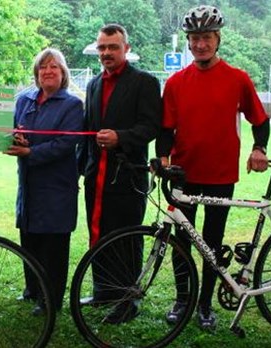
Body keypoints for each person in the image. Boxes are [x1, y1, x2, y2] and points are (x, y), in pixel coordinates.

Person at [156, 5, 269, 330]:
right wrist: (163, 158)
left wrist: (259, 149)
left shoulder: (238, 79)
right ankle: (183, 300)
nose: (200, 44)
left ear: (217, 39)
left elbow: (260, 121)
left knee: (212, 245)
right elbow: (166, 129)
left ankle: (205, 305)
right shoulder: (177, 82)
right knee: (181, 242)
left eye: (206, 38)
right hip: (184, 175)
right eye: (194, 38)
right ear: (189, 42)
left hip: (221, 176)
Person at [79, 24, 162, 324]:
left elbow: (151, 127)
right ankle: (104, 290)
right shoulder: (93, 85)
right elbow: (88, 131)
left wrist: (121, 137)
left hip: (127, 176)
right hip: (96, 176)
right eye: (102, 47)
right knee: (98, 233)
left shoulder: (145, 82)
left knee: (125, 237)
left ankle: (128, 300)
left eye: (112, 47)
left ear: (126, 48)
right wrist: (82, 168)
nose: (106, 53)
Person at [4, 48, 83, 313]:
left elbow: (66, 142)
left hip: (57, 186)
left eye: (54, 67)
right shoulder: (24, 100)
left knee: (53, 245)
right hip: (28, 183)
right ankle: (33, 289)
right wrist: (18, 139)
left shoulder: (72, 105)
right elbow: (15, 129)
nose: (48, 71)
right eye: (43, 67)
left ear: (63, 74)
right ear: (37, 73)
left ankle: (51, 300)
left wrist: (31, 151)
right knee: (29, 238)